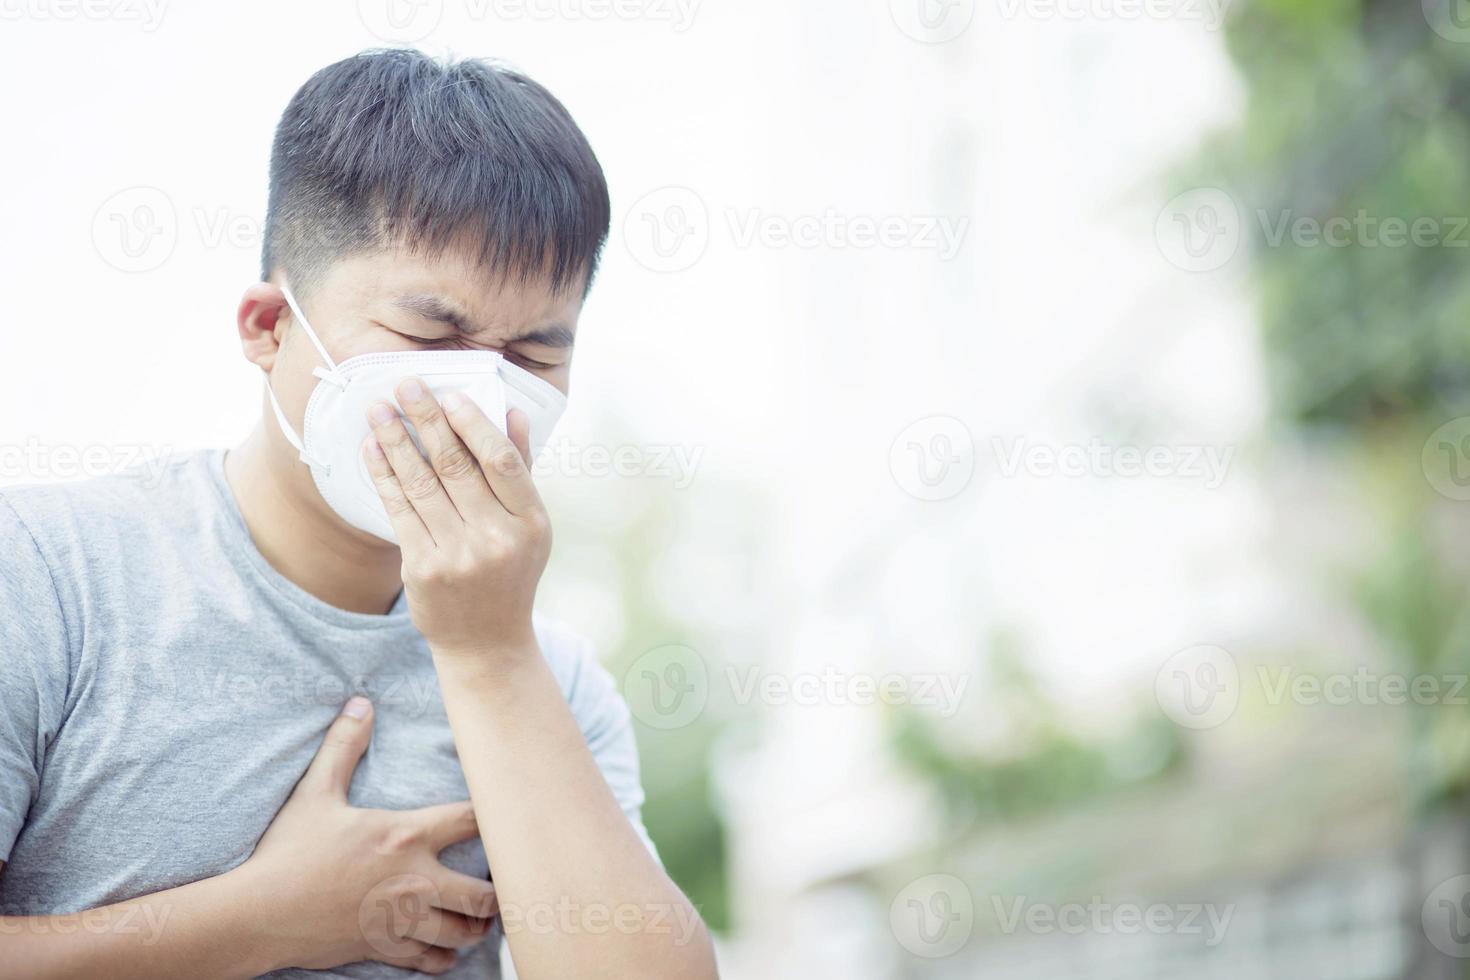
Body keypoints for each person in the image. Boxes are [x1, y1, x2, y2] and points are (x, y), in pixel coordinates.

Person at [0, 48, 718, 980]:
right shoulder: (47, 580)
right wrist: (263, 920)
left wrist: (490, 655)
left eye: (533, 360)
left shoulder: (556, 686)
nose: (481, 397)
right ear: (269, 327)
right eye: (432, 336)